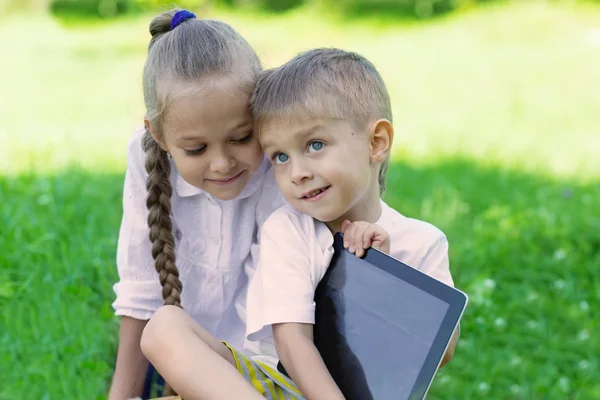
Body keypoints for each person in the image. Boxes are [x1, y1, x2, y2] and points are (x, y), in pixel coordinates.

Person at [140, 48, 459, 400]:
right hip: (272, 386)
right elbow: (291, 343)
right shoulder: (289, 229)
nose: (298, 172)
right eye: (280, 156)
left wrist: (381, 275)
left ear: (376, 142)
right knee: (164, 326)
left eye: (315, 145)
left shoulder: (422, 242)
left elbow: (440, 352)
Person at [108, 9, 285, 400]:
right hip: (179, 359)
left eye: (242, 137)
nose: (222, 164)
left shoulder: (280, 167)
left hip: (268, 368)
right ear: (158, 136)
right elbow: (141, 289)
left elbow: (273, 322)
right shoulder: (145, 156)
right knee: (164, 334)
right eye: (196, 149)